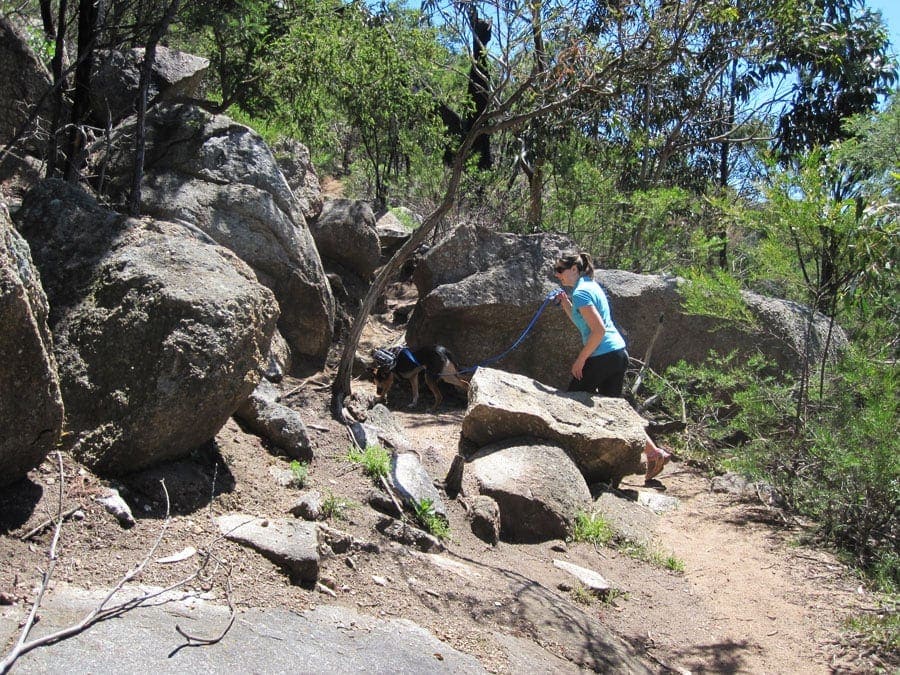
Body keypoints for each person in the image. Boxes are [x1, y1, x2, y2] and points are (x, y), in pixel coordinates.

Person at [551, 251, 671, 483]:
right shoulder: (589, 288)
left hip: (602, 356)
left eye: (560, 271)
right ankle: (654, 453)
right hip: (617, 354)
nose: (558, 276)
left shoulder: (583, 292)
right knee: (617, 413)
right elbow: (583, 324)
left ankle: (568, 463)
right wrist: (565, 303)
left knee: (570, 401)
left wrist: (580, 359)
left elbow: (598, 332)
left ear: (574, 269)